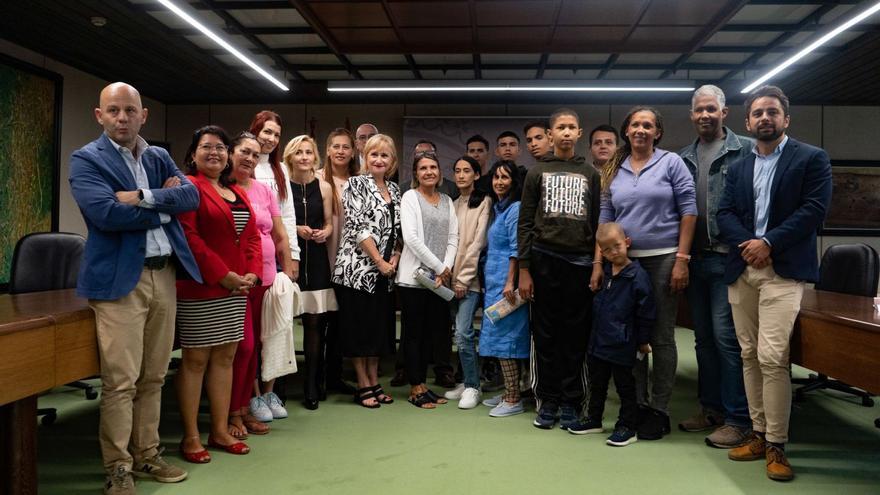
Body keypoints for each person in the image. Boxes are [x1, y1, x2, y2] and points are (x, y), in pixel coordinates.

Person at [69, 82, 199, 494]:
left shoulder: (158, 156)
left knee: (155, 376)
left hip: (164, 275)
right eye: (113, 111)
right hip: (119, 281)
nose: (122, 118)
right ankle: (118, 468)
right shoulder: (86, 159)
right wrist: (163, 208)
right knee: (121, 381)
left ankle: (148, 454)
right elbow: (105, 214)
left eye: (129, 110)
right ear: (99, 115)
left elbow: (191, 196)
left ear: (144, 115)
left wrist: (141, 197)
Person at [717, 85, 832, 482]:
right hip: (743, 270)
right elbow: (725, 213)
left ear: (786, 118)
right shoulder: (738, 167)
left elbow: (813, 211)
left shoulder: (811, 159)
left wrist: (768, 242)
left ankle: (777, 445)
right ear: (747, 122)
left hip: (784, 271)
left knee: (771, 358)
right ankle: (758, 433)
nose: (765, 118)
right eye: (758, 113)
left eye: (772, 112)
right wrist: (749, 245)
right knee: (748, 355)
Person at [597, 106, 697, 441]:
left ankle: (659, 409)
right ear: (626, 131)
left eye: (648, 125)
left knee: (661, 335)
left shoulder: (671, 163)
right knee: (629, 334)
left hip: (665, 258)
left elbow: (689, 210)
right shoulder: (615, 168)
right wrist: (600, 263)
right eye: (636, 124)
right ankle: (635, 405)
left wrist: (682, 257)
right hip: (624, 262)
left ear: (657, 132)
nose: (641, 129)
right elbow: (605, 218)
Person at [176, 125, 262, 462]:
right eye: (206, 146)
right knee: (196, 361)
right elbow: (188, 237)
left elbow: (252, 236)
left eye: (221, 148)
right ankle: (191, 436)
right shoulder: (188, 187)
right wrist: (222, 275)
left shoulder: (234, 191)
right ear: (194, 153)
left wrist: (252, 273)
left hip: (237, 287)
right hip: (202, 287)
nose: (215, 153)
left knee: (225, 359)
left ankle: (220, 430)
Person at [678, 85, 754, 448]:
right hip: (695, 259)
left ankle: (738, 418)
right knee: (703, 340)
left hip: (730, 258)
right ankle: (711, 410)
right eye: (699, 110)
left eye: (712, 109)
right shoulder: (683, 157)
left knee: (727, 340)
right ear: (691, 115)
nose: (705, 115)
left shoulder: (745, 150)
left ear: (724, 112)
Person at [518, 108, 601, 430]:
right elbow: (525, 223)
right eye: (560, 128)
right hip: (543, 261)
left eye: (572, 128)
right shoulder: (537, 172)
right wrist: (525, 269)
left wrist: (596, 264)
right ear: (551, 136)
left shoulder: (591, 173)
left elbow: (598, 220)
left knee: (574, 335)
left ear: (579, 133)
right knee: (546, 334)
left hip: (579, 263)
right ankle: (548, 399)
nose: (566, 133)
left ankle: (571, 400)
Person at [227, 132, 293, 439]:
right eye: (244, 152)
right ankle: (232, 413)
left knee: (254, 350)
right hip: (235, 282)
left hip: (264, 279)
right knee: (243, 347)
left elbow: (279, 233)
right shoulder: (222, 188)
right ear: (231, 153)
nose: (250, 159)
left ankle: (245, 408)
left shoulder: (263, 190)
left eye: (255, 155)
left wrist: (288, 266)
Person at [567, 223, 655, 447]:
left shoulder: (637, 277)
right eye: (607, 249)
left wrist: (643, 340)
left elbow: (646, 312)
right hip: (598, 343)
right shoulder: (604, 274)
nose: (614, 252)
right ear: (601, 252)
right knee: (598, 383)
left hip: (623, 345)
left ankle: (627, 426)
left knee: (625, 387)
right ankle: (594, 419)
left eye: (617, 246)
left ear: (627, 243)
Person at [333, 134, 402, 408]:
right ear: (365, 158)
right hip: (357, 271)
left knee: (377, 331)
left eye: (384, 155)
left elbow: (398, 231)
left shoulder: (395, 191)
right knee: (359, 332)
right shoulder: (355, 184)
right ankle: (363, 384)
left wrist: (395, 255)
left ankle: (375, 381)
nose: (379, 160)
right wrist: (380, 261)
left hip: (384, 275)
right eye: (374, 154)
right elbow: (358, 227)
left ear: (392, 160)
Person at [247, 110, 300, 421]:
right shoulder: (241, 166)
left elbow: (288, 218)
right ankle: (251, 396)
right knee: (251, 332)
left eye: (275, 135)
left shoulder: (280, 169)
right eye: (265, 131)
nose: (269, 138)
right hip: (249, 263)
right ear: (254, 130)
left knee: (276, 329)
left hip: (276, 263)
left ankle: (269, 391)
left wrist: (291, 260)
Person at [397, 150, 459, 409]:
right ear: (415, 173)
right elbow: (411, 239)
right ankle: (415, 386)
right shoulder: (410, 197)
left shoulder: (447, 200)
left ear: (440, 173)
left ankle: (424, 385)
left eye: (433, 167)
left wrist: (445, 268)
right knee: (413, 335)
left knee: (433, 335)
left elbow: (453, 238)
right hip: (415, 279)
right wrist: (438, 269)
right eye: (423, 168)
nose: (429, 172)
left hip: (438, 281)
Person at [285, 135, 339, 410]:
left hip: (317, 258)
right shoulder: (281, 186)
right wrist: (297, 230)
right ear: (290, 157)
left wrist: (323, 233)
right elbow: (278, 223)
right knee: (283, 323)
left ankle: (312, 384)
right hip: (290, 256)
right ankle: (279, 385)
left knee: (315, 324)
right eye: (299, 152)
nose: (304, 157)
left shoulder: (325, 187)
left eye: (309, 152)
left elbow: (330, 224)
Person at [480, 161, 530, 418]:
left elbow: (516, 249)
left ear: (514, 181)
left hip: (507, 287)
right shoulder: (499, 208)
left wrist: (510, 282)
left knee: (506, 341)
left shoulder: (516, 208)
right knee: (499, 339)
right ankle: (513, 391)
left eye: (505, 177)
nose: (499, 181)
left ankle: (513, 399)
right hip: (494, 281)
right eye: (496, 177)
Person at [443, 156, 491, 409]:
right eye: (457, 171)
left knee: (463, 333)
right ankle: (465, 381)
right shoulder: (451, 203)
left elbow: (477, 244)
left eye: (467, 171)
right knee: (458, 334)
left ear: (476, 174)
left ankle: (474, 387)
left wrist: (463, 278)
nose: (461, 175)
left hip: (468, 281)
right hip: (448, 281)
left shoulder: (483, 201)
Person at [317, 128, 360, 396]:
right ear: (328, 150)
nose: (341, 151)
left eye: (346, 147)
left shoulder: (359, 181)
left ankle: (334, 376)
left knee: (340, 323)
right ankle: (315, 377)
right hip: (324, 258)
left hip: (352, 262)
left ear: (353, 152)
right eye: (336, 146)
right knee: (319, 320)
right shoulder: (317, 179)